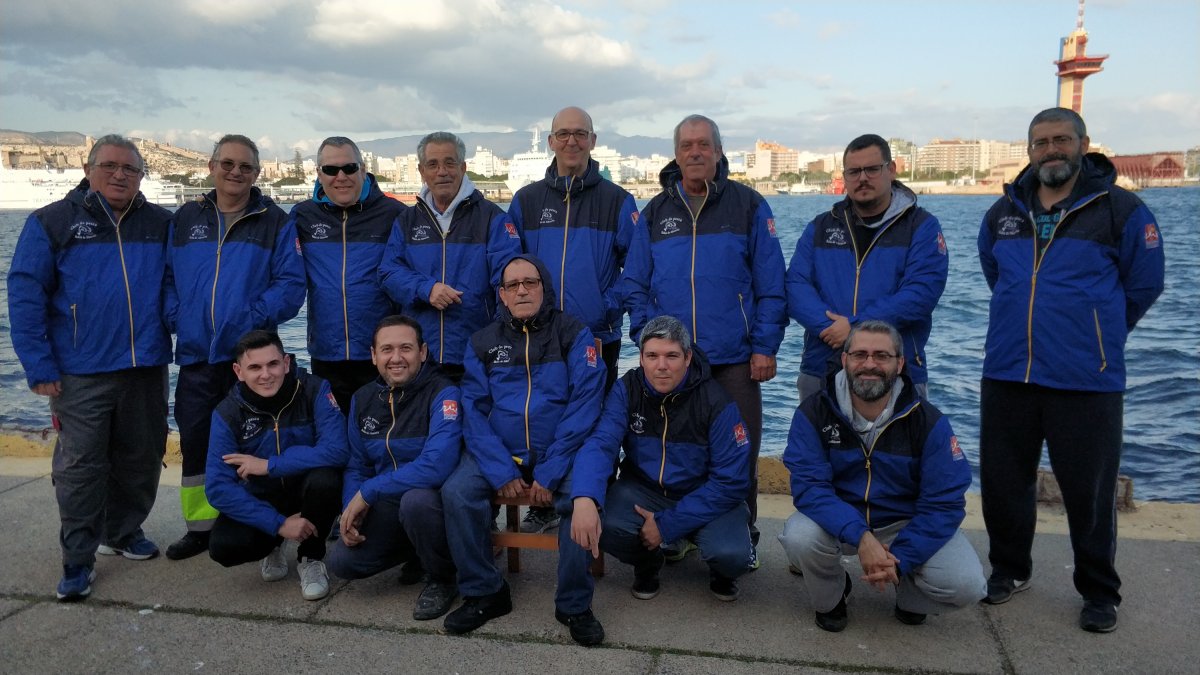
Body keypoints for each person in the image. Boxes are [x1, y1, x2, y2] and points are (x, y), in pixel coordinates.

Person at [977, 107, 1165, 633]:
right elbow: (997, 272)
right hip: (1009, 372)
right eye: (1041, 142)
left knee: (1090, 491)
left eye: (1062, 140)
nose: (1051, 150)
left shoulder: (1121, 210)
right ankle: (1009, 570)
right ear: (1030, 150)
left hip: (1087, 378)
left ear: (1083, 143)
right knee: (1003, 483)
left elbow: (1144, 285)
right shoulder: (1004, 212)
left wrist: (1096, 333)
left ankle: (1099, 592)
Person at [8, 134, 173, 601]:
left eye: (131, 169)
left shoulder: (161, 223)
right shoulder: (53, 222)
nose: (120, 175)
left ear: (142, 175)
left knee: (141, 455)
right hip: (80, 370)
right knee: (81, 467)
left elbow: (180, 282)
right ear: (88, 167)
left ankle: (122, 532)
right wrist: (39, 364)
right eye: (110, 166)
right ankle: (77, 559)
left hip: (146, 364)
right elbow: (25, 294)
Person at [623, 114, 786, 566]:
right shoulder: (656, 212)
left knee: (740, 450)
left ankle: (743, 535)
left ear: (717, 151)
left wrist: (765, 346)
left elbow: (771, 284)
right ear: (676, 154)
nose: (695, 152)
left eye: (703, 145)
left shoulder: (750, 206)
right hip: (672, 364)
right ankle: (674, 530)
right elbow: (634, 282)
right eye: (686, 145)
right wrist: (645, 334)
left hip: (733, 358)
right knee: (671, 450)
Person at [440, 254, 606, 645]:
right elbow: (473, 411)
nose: (522, 290)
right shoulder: (483, 341)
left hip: (560, 452)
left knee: (579, 501)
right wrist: (500, 468)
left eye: (529, 282)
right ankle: (485, 592)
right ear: (501, 294)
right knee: (457, 492)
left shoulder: (573, 334)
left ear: (543, 287)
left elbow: (586, 405)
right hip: (503, 452)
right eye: (512, 285)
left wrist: (550, 469)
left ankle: (574, 604)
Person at [778, 320, 985, 632]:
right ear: (845, 359)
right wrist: (861, 537)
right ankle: (832, 598)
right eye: (860, 354)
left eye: (882, 356)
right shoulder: (813, 413)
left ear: (899, 363)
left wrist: (900, 558)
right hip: (839, 520)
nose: (870, 364)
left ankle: (909, 596)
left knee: (967, 585)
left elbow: (944, 503)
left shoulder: (928, 422)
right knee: (799, 536)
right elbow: (810, 488)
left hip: (904, 524)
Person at [164, 134, 306, 561]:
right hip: (196, 356)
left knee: (260, 442)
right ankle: (201, 527)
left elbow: (291, 285)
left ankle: (263, 522)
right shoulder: (186, 218)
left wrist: (249, 320)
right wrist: (178, 317)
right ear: (211, 166)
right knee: (196, 439)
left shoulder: (275, 222)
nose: (235, 172)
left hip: (251, 358)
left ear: (257, 173)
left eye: (245, 166)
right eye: (227, 164)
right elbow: (167, 279)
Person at [508, 105, 637, 535]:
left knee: (596, 422)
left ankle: (591, 498)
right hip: (537, 336)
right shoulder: (526, 201)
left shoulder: (617, 201)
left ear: (593, 141)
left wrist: (605, 307)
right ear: (550, 141)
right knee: (545, 417)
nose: (571, 142)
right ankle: (545, 501)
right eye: (562, 134)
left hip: (595, 336)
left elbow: (636, 269)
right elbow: (508, 268)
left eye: (580, 134)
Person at [570, 315, 754, 603]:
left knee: (734, 556)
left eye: (672, 356)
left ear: (688, 357)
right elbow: (601, 444)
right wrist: (583, 496)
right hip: (645, 490)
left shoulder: (716, 401)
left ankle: (721, 570)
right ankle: (648, 563)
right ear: (641, 358)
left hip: (703, 492)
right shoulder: (626, 390)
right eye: (652, 356)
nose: (662, 366)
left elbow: (732, 481)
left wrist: (667, 525)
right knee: (601, 521)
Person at [786, 134, 948, 401]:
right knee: (813, 442)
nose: (863, 178)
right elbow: (795, 286)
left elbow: (921, 293)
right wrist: (833, 329)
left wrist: (855, 329)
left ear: (891, 169)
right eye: (854, 171)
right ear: (845, 176)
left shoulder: (921, 227)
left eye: (872, 169)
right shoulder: (820, 227)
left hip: (895, 368)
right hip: (822, 365)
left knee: (898, 442)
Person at [325, 315, 461, 621]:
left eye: (406, 348)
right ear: (373, 356)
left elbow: (436, 466)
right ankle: (416, 551)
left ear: (423, 352)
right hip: (388, 501)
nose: (396, 358)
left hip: (435, 503)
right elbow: (357, 464)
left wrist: (368, 492)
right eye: (386, 349)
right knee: (343, 563)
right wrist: (352, 507)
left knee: (416, 501)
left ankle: (443, 577)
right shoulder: (362, 400)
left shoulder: (444, 393)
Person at [205, 330, 348, 601]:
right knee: (224, 547)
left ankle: (312, 556)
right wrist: (278, 524)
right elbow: (217, 487)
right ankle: (274, 544)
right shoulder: (227, 412)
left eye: (272, 364)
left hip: (308, 489)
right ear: (238, 371)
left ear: (286, 362)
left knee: (327, 479)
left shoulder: (315, 390)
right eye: (254, 367)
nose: (266, 374)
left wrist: (270, 465)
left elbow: (338, 450)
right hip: (264, 498)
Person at [379, 131, 521, 382]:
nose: (442, 171)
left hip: (475, 354)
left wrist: (498, 340)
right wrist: (427, 289)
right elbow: (389, 273)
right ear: (422, 171)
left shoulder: (493, 218)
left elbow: (508, 281)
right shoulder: (407, 221)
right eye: (433, 164)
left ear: (463, 167)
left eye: (449, 163)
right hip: (420, 357)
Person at [291, 136, 406, 411]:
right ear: (319, 174)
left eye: (349, 168)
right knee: (334, 437)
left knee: (382, 436)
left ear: (363, 169)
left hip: (381, 351)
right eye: (330, 170)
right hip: (326, 352)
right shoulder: (301, 216)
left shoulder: (395, 214)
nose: (340, 176)